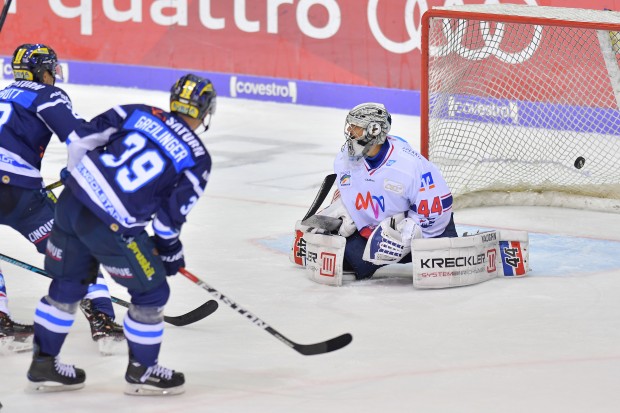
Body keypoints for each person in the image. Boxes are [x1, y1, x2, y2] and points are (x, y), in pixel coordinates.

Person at [27, 73, 216, 396]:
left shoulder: (137, 111)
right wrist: (169, 253)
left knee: (68, 285)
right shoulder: (197, 158)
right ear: (205, 111)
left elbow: (80, 138)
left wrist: (76, 177)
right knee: (152, 293)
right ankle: (142, 371)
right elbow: (167, 224)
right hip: (111, 224)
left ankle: (44, 363)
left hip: (71, 204)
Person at [0, 43, 122, 353]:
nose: (54, 75)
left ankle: (0, 325)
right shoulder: (46, 95)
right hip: (18, 194)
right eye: (51, 69)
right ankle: (103, 323)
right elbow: (79, 138)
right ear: (43, 71)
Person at [315, 102, 458, 280]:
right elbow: (348, 189)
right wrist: (347, 208)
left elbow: (437, 204)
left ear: (374, 130)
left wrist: (407, 236)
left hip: (424, 230)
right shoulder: (344, 159)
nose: (350, 132)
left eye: (356, 128)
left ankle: (440, 246)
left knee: (441, 266)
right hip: (374, 231)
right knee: (335, 257)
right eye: (350, 126)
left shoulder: (408, 165)